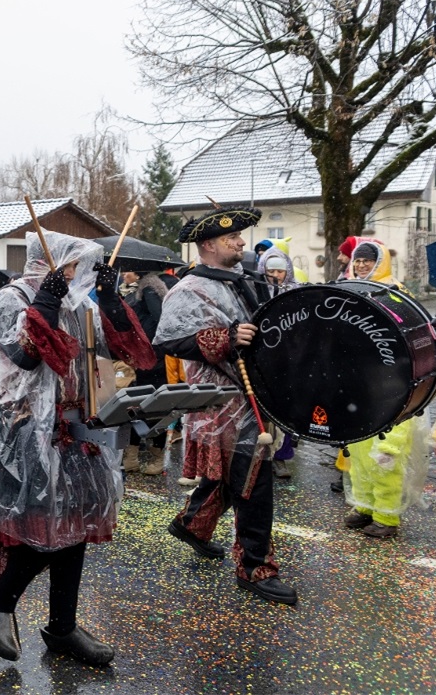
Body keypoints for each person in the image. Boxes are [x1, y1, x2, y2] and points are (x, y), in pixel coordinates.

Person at [0, 232, 155, 666]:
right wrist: (48, 301)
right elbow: (26, 356)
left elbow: (128, 350)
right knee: (43, 527)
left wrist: (109, 298)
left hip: (78, 427)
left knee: (78, 523)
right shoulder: (9, 300)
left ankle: (62, 627)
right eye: (67, 264)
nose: (73, 273)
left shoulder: (80, 304)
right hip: (26, 431)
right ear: (45, 261)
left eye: (77, 265)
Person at [154, 205, 297, 605]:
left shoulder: (244, 280)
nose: (240, 242)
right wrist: (224, 338)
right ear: (208, 245)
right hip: (222, 402)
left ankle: (192, 525)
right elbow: (167, 340)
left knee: (233, 476)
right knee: (253, 483)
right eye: (231, 237)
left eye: (238, 236)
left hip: (253, 395)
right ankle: (255, 567)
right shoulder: (188, 289)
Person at [341, 240, 429, 538]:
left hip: (392, 383)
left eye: (368, 260)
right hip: (358, 383)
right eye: (358, 260)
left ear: (380, 262)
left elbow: (409, 334)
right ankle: (365, 506)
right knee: (360, 454)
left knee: (386, 456)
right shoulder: (350, 289)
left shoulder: (395, 292)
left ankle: (386, 517)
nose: (361, 265)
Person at [120, 268, 172, 475]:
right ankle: (136, 456)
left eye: (128, 271)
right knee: (145, 405)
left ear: (139, 274)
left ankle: (148, 456)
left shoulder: (149, 291)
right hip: (148, 357)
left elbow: (158, 321)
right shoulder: (143, 290)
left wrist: (142, 342)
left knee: (147, 405)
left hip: (151, 358)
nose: (124, 274)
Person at [258, 245, 301, 479]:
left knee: (285, 410)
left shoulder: (296, 293)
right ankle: (261, 455)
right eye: (270, 271)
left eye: (280, 271)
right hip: (264, 359)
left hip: (290, 359)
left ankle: (281, 457)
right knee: (263, 409)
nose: (275, 276)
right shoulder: (255, 291)